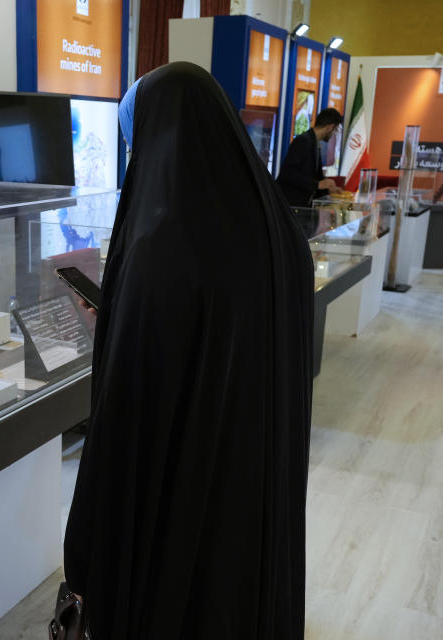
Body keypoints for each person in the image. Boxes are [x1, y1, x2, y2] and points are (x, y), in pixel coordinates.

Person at [63, 62, 314, 639]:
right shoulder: (279, 234)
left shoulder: (163, 250)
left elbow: (132, 421)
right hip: (260, 487)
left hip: (187, 510)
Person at [276, 108, 344, 206]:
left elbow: (314, 177)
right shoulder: (303, 141)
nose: (334, 134)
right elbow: (288, 173)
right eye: (336, 130)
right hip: (288, 205)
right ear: (330, 127)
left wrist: (328, 189)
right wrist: (317, 184)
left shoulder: (315, 143)